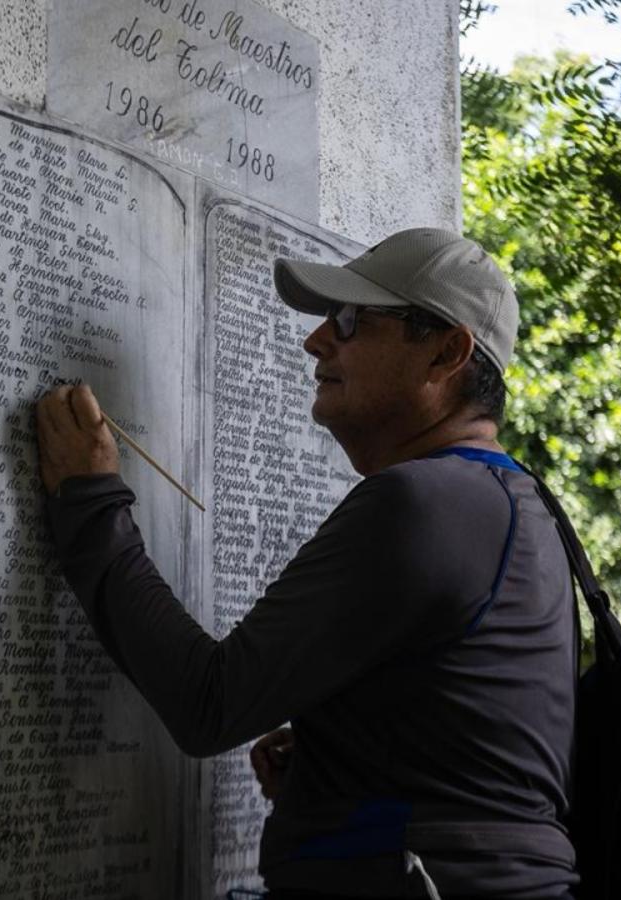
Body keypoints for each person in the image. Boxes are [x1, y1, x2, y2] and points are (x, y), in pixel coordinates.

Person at [35, 228, 578, 899]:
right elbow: (479, 761)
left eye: (351, 320)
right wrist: (345, 764)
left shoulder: (422, 502)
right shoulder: (519, 507)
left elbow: (211, 703)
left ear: (447, 352)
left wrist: (89, 507)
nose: (317, 340)